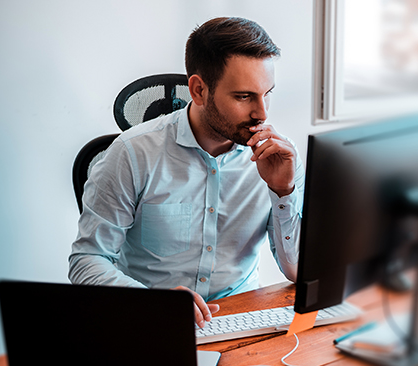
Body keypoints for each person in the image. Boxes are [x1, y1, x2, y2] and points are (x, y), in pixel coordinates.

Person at [68, 17, 304, 329]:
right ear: (198, 90)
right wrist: (151, 304)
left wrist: (283, 192)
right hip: (154, 322)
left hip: (242, 317)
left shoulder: (277, 157)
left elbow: (297, 270)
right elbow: (87, 260)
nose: (262, 113)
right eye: (244, 96)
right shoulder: (132, 154)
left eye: (267, 93)